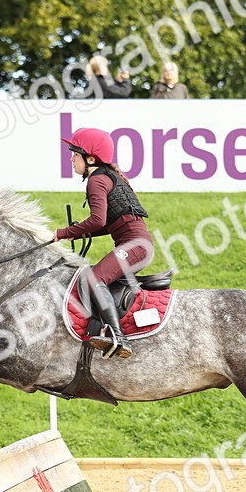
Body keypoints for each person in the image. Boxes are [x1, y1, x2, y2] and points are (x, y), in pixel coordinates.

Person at [56, 127, 154, 359]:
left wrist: (62, 232)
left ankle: (118, 338)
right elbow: (108, 224)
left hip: (135, 246)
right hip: (139, 246)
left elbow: (97, 220)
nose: (71, 159)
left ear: (90, 159)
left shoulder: (96, 180)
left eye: (75, 154)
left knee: (94, 279)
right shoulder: (107, 176)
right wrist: (75, 234)